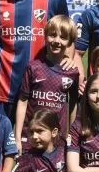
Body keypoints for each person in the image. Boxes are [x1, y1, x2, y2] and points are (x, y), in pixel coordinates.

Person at [15, 15, 79, 151]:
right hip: (31, 136)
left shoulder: (72, 72)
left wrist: (71, 133)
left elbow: (73, 105)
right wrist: (17, 137)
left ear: (70, 42)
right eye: (53, 35)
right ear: (45, 36)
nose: (56, 41)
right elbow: (22, 102)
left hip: (57, 138)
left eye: (63, 37)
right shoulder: (33, 67)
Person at [4, 110, 68, 172]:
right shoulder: (28, 157)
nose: (34, 136)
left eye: (39, 131)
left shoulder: (64, 153)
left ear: (54, 132)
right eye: (31, 132)